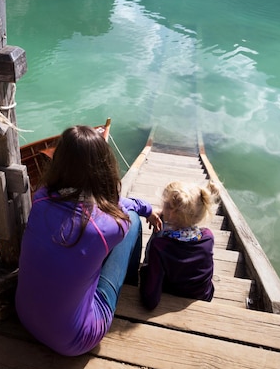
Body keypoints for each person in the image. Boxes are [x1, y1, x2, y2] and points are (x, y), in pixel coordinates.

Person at [15, 125, 161, 356]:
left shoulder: (41, 198)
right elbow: (120, 209)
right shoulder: (108, 227)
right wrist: (146, 209)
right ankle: (131, 282)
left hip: (25, 316)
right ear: (104, 168)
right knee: (131, 221)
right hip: (75, 340)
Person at [139, 179, 220, 310]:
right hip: (203, 296)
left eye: (165, 205)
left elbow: (150, 300)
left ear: (171, 213)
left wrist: (143, 273)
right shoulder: (208, 237)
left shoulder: (159, 246)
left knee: (155, 246)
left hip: (172, 293)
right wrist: (165, 215)